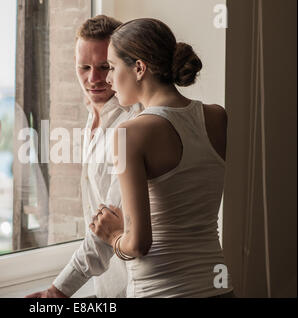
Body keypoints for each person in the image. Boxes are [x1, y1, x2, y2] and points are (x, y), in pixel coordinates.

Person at [89, 18, 236, 298]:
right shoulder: (217, 116)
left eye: (112, 67)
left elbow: (138, 243)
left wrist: (113, 236)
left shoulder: (129, 134)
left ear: (139, 68)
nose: (107, 79)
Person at [25, 15, 143, 298]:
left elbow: (110, 225)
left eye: (104, 67)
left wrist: (57, 291)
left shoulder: (131, 126)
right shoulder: (91, 119)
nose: (93, 79)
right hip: (108, 288)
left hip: (135, 288)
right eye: (84, 67)